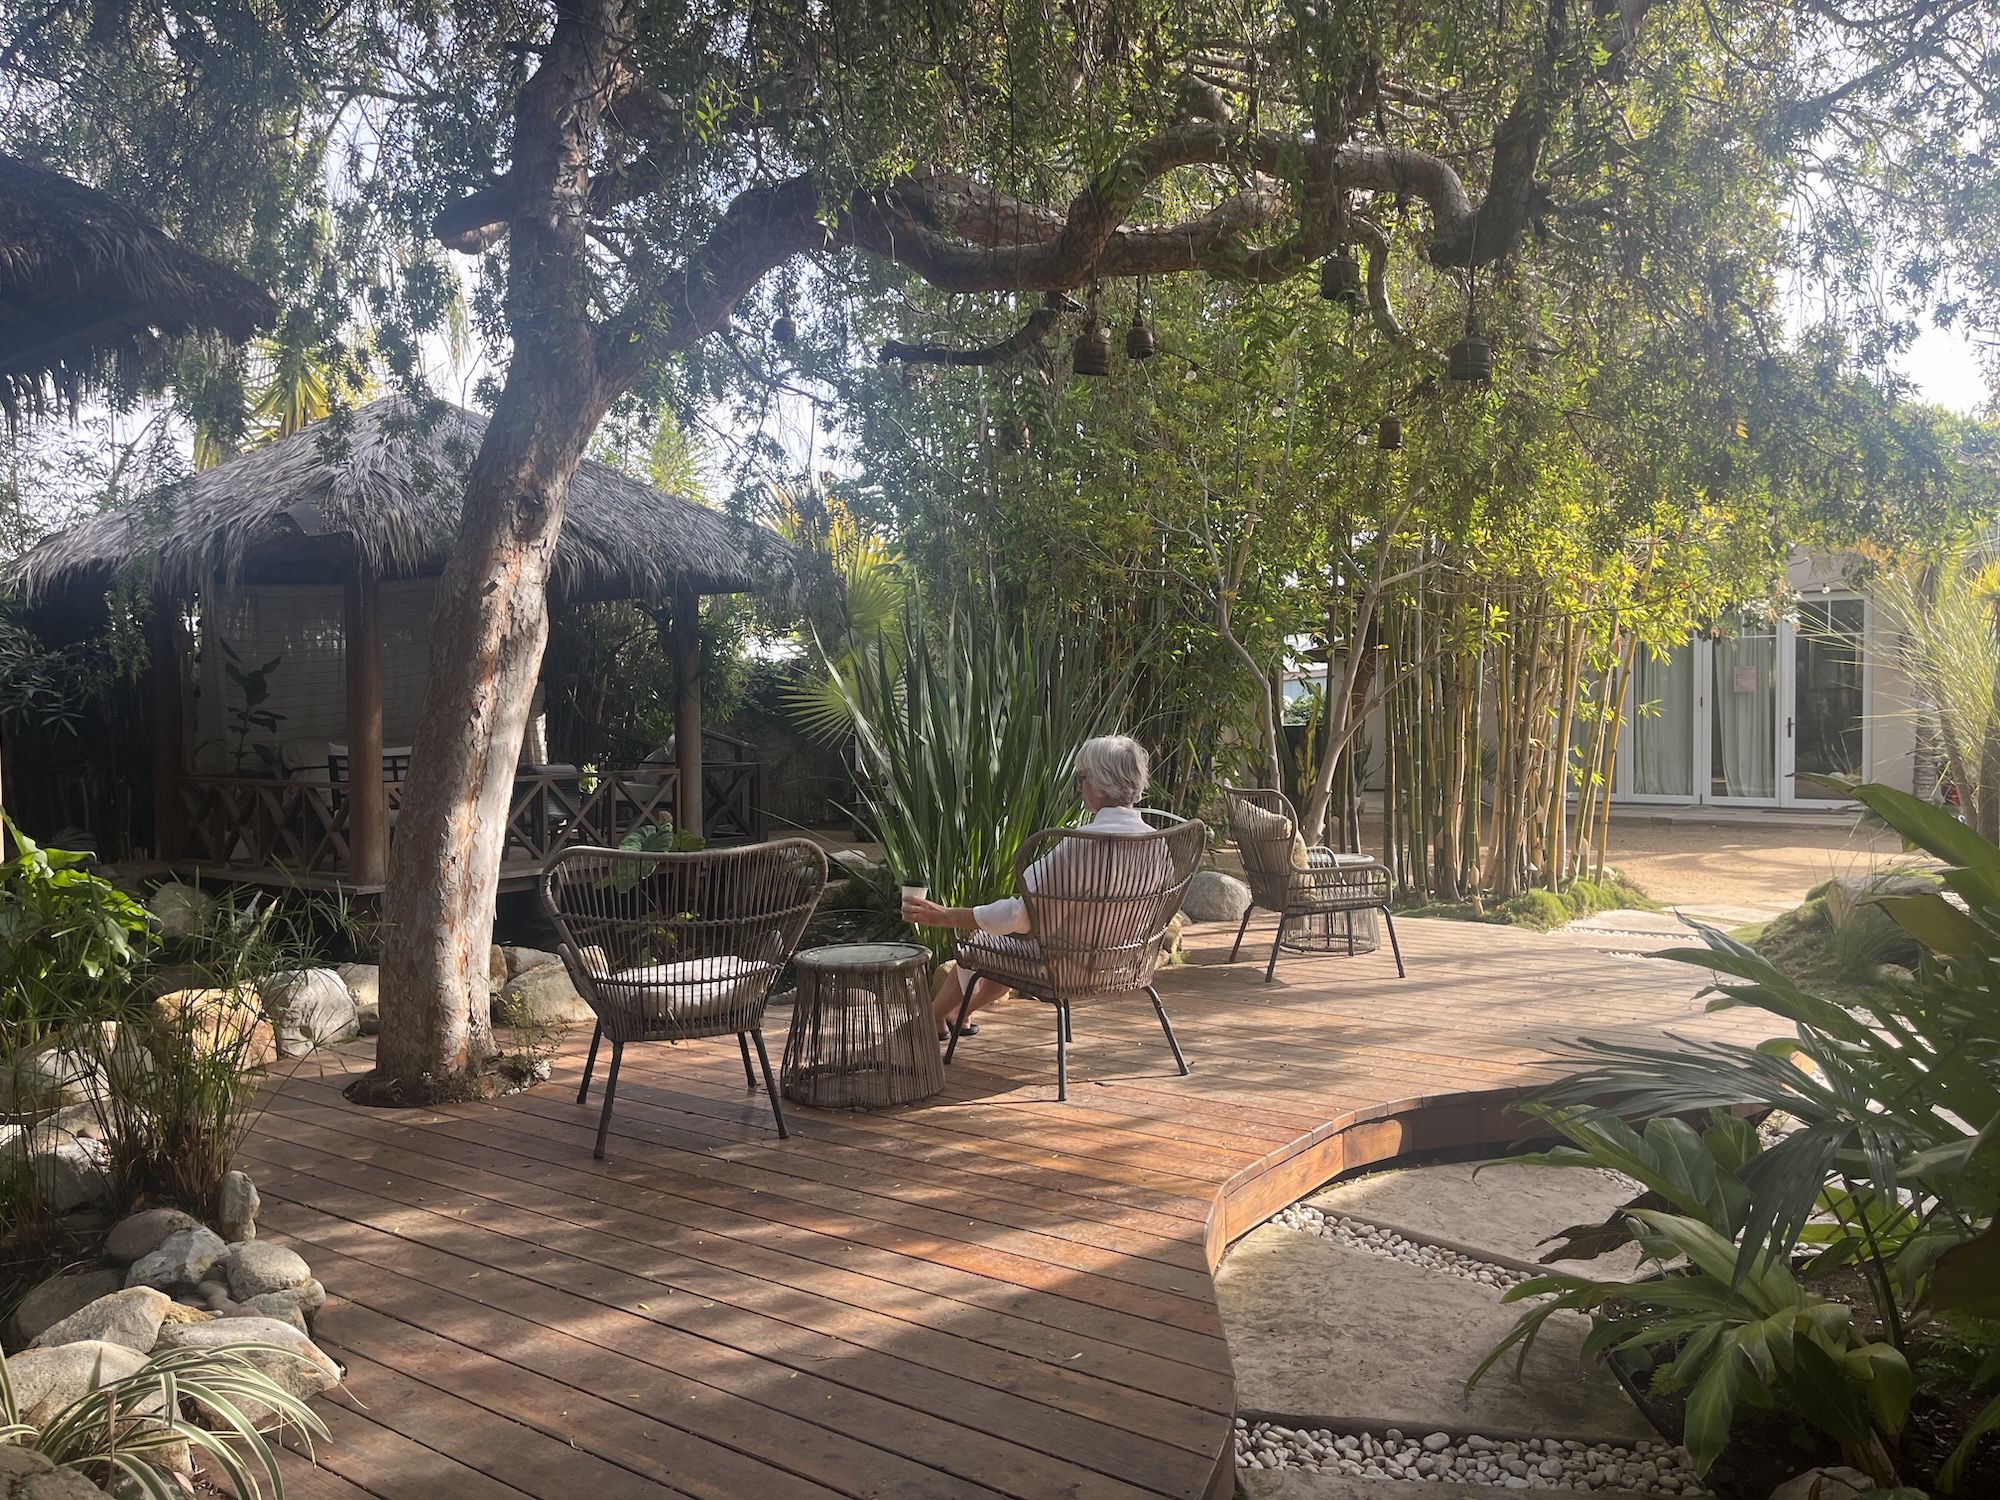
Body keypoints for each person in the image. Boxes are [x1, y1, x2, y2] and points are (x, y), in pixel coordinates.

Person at [901, 734, 1166, 1040]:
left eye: (1081, 778)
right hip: (1126, 963)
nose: (1080, 787)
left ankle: (931, 1018)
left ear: (1097, 784)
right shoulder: (1158, 844)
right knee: (1005, 940)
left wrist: (946, 915)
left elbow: (1021, 915)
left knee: (984, 940)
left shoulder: (1078, 846)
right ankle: (959, 1013)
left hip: (1063, 966)